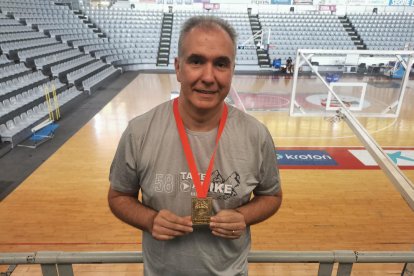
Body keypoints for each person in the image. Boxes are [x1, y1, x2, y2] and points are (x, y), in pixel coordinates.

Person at [108, 15, 282, 276]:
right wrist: (150, 220)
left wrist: (244, 216)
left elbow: (271, 196)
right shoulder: (139, 132)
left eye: (221, 64)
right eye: (197, 61)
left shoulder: (256, 135)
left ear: (232, 70)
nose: (208, 77)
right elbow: (119, 196)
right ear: (178, 67)